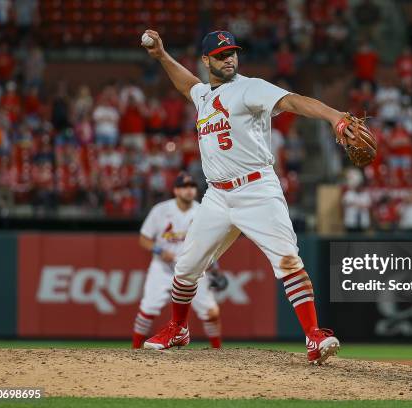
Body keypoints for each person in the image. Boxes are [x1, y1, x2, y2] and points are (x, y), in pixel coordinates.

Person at [141, 29, 344, 364]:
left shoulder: (250, 87)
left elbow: (293, 101)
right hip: (217, 196)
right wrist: (162, 55)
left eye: (232, 52)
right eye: (221, 55)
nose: (229, 58)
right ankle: (178, 328)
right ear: (207, 60)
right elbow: (187, 84)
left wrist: (334, 116)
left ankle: (313, 335)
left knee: (288, 260)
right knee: (186, 268)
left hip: (256, 188)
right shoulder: (204, 95)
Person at [132, 173, 227, 349]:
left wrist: (216, 269)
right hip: (163, 267)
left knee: (211, 313)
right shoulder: (160, 210)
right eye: (184, 186)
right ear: (176, 190)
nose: (189, 190)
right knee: (147, 309)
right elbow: (144, 238)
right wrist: (159, 251)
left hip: (194, 269)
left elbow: (210, 244)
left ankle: (217, 352)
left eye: (192, 186)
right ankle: (134, 350)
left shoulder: (202, 211)